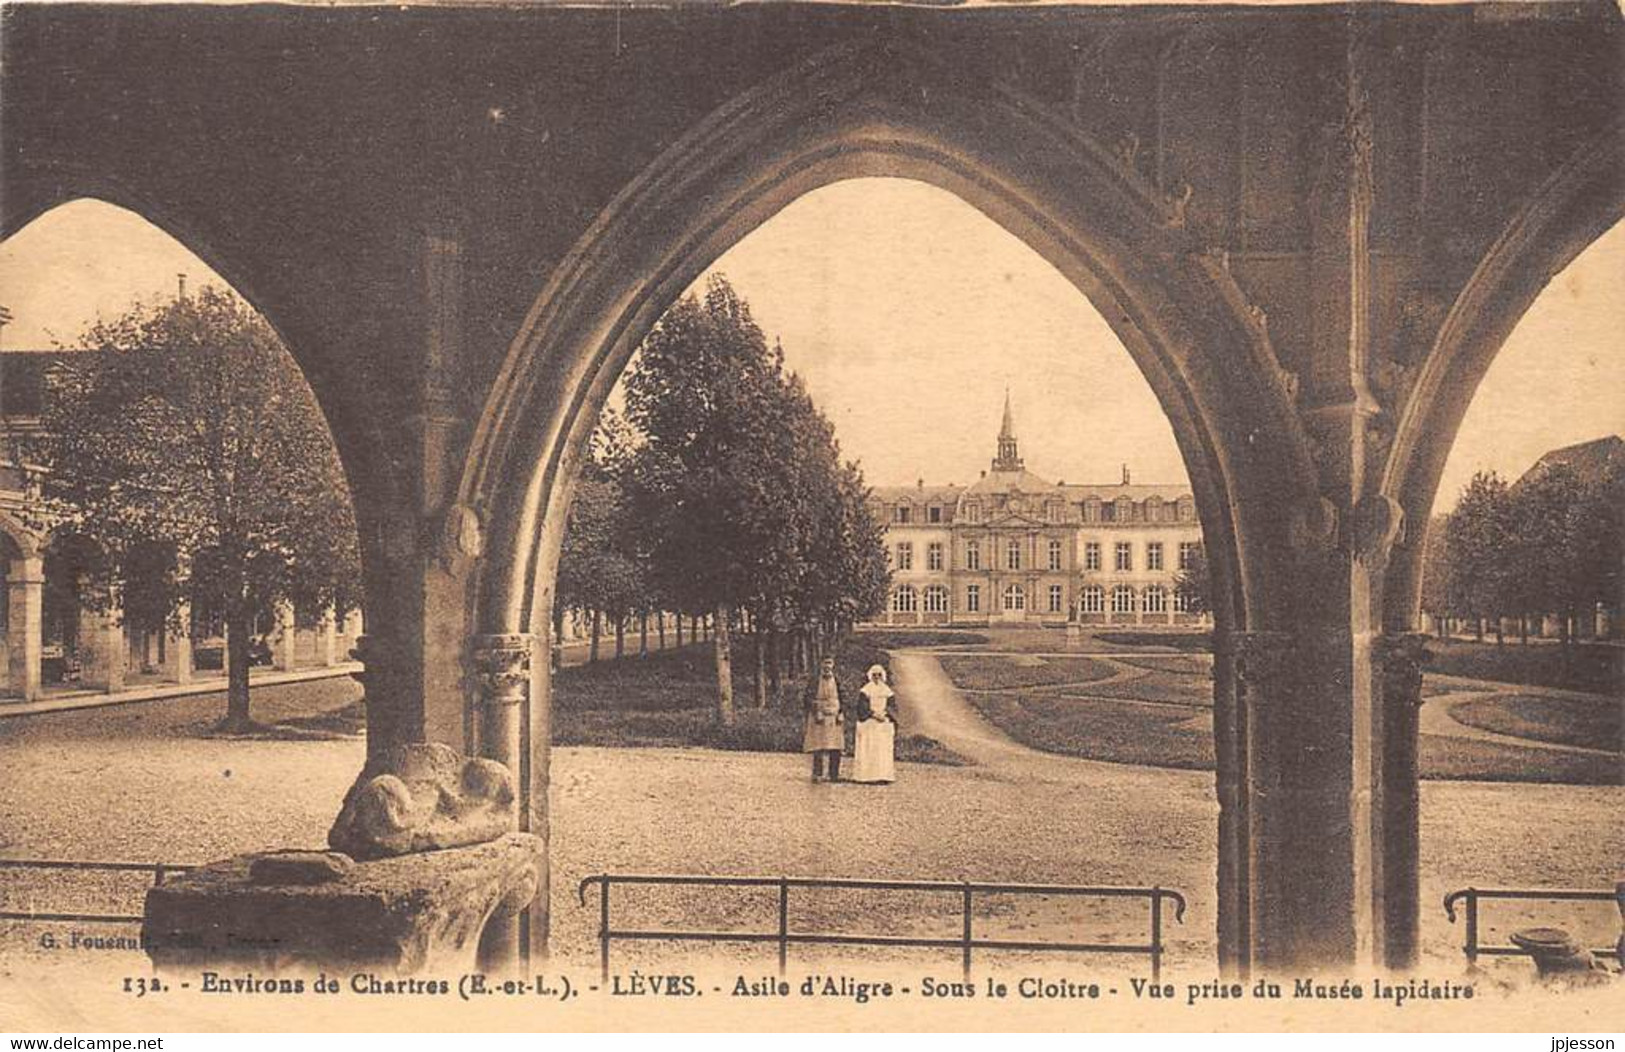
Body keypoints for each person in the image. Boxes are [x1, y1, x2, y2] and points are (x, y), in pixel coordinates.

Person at [850, 664, 897, 785]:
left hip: (883, 722)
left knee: (883, 749)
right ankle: (868, 775)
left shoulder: (887, 691)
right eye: (874, 675)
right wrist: (874, 715)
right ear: (870, 676)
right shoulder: (865, 690)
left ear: (883, 676)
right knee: (870, 747)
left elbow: (892, 706)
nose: (877, 677)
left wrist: (886, 714)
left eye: (879, 675)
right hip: (870, 722)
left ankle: (883, 775)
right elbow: (862, 708)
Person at [802, 656, 845, 782]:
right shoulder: (814, 680)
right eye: (825, 663)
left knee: (836, 746)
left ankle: (834, 774)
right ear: (821, 664)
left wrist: (841, 712)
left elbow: (843, 697)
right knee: (818, 745)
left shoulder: (838, 679)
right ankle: (818, 774)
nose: (827, 666)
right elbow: (807, 698)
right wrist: (816, 712)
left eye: (829, 663)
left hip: (834, 715)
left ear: (833, 665)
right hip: (819, 715)